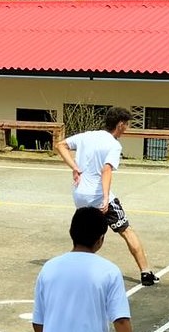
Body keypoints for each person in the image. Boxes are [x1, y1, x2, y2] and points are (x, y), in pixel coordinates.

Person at [55, 107, 160, 287]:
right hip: (99, 197)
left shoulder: (87, 136)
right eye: (126, 125)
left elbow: (60, 145)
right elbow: (106, 170)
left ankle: (76, 271)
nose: (127, 129)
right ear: (120, 125)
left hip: (80, 196)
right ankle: (146, 272)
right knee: (127, 231)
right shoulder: (113, 145)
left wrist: (74, 167)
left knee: (85, 236)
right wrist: (105, 198)